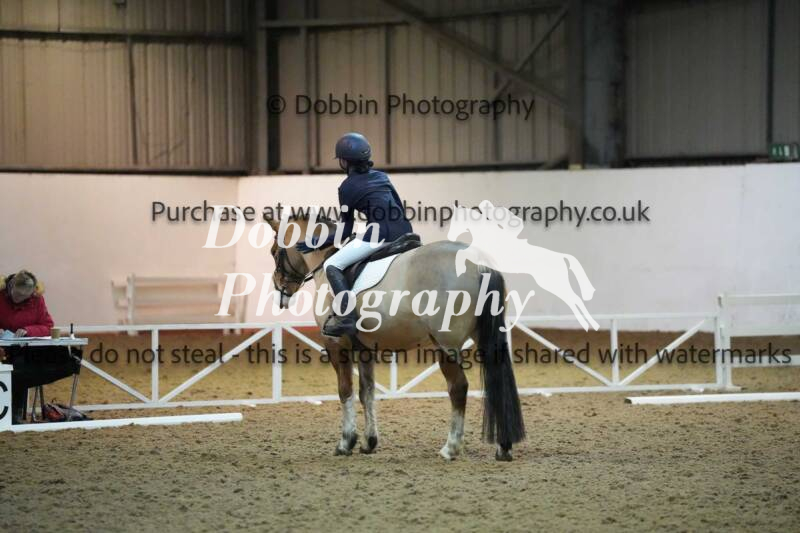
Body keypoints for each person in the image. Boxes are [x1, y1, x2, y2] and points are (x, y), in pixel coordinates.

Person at [321, 132, 413, 337]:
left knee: (331, 265)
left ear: (344, 161)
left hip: (380, 236)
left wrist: (319, 241)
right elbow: (398, 207)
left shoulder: (346, 187)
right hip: (406, 231)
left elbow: (345, 230)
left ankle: (346, 317)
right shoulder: (382, 176)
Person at [0, 270, 80, 424]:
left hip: (25, 351)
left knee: (20, 369)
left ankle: (16, 413)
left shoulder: (37, 300)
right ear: (11, 285)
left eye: (24, 296)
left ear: (32, 293)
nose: (19, 299)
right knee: (17, 368)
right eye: (17, 294)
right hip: (4, 349)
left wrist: (28, 330)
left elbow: (48, 326)